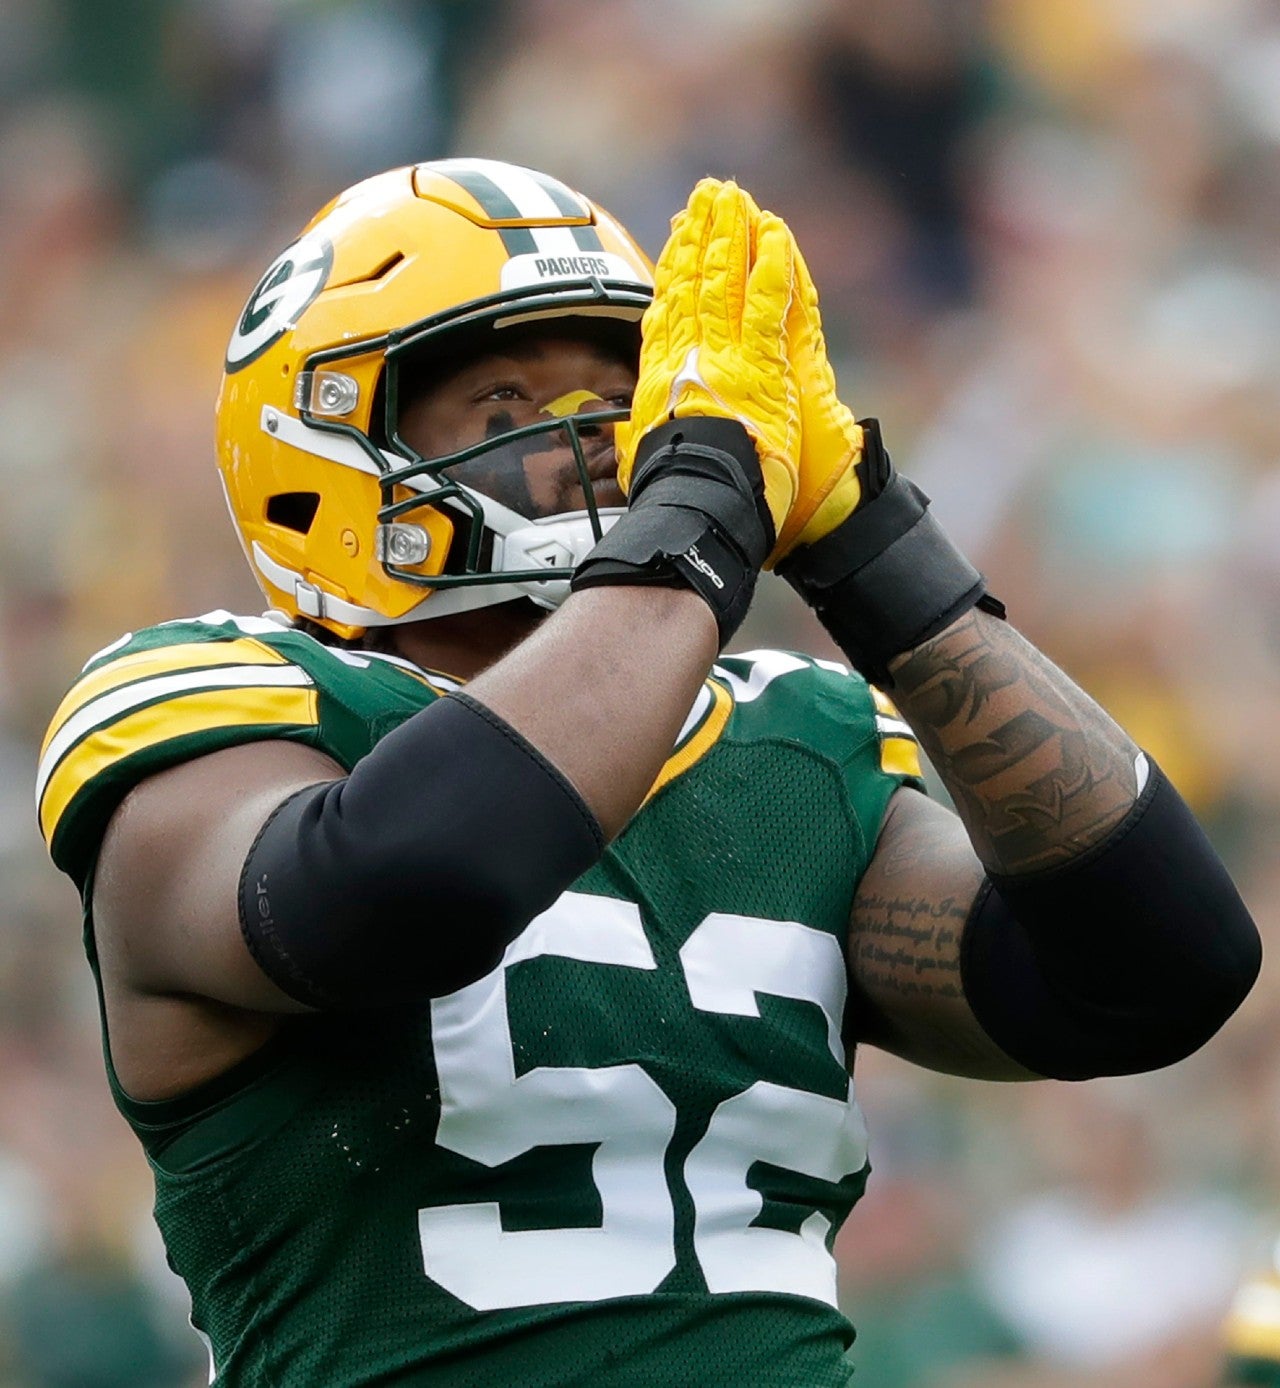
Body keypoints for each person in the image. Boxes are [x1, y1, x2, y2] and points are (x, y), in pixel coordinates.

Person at [36, 158, 1260, 1387]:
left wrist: (870, 544)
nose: (597, 444)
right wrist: (695, 532)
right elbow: (405, 885)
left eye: (621, 398)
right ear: (330, 436)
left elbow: (1151, 973)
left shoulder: (790, 735)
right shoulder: (223, 701)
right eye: (507, 401)